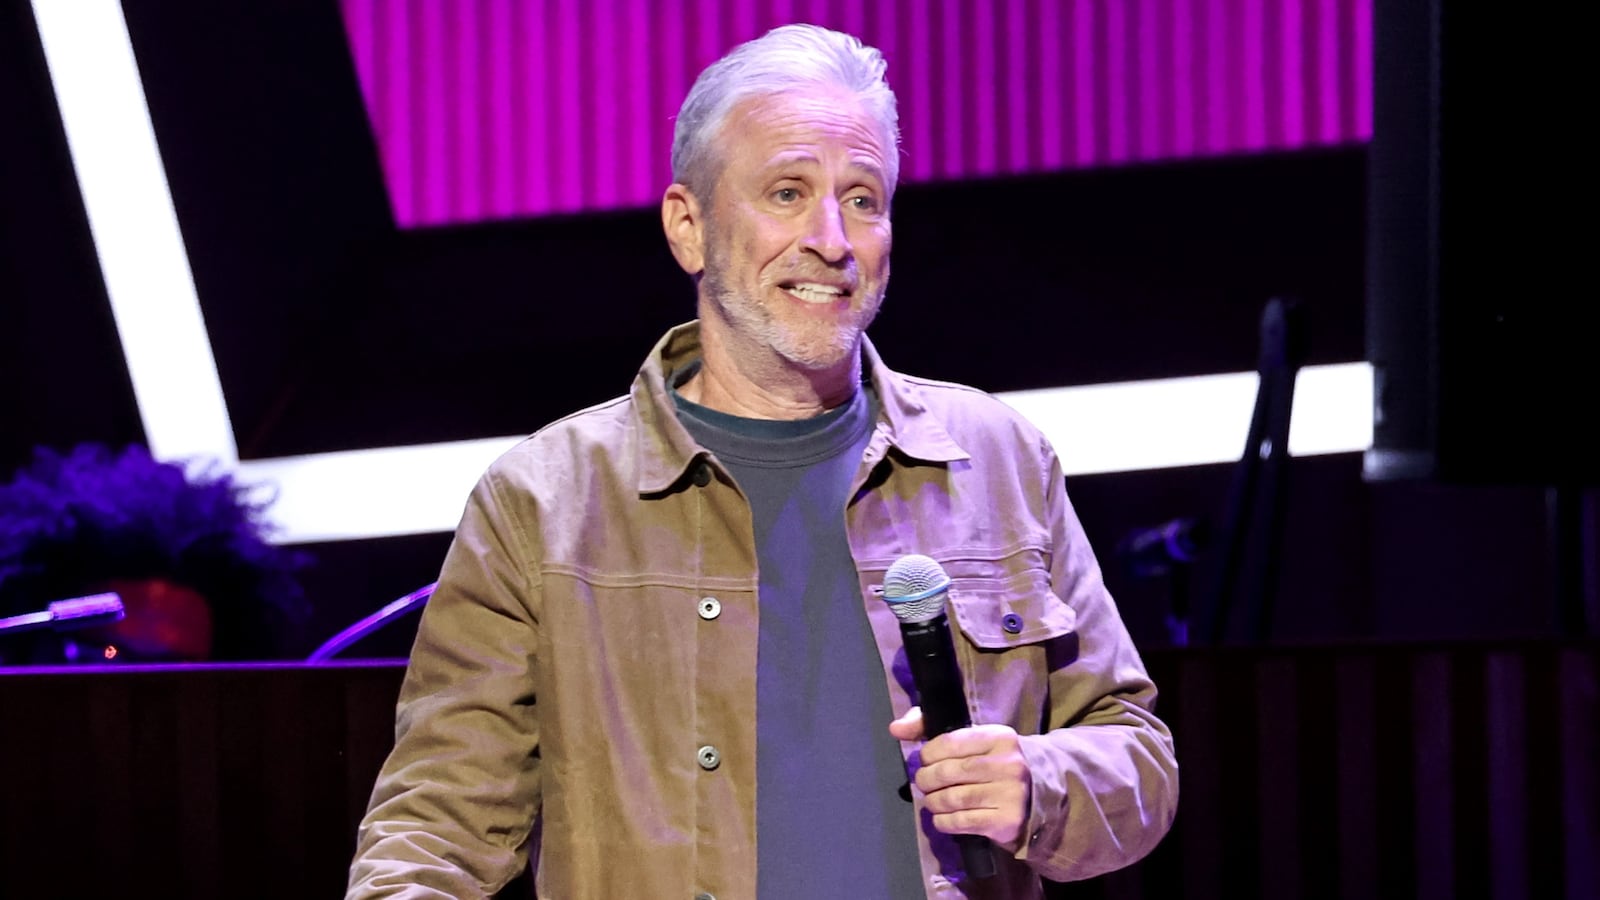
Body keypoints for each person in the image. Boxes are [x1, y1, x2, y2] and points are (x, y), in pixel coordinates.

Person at [348, 23, 1177, 900]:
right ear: (689, 228)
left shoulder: (997, 461)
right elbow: (433, 828)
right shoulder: (545, 502)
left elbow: (1134, 752)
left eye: (863, 199)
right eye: (787, 193)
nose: (832, 238)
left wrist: (1036, 785)